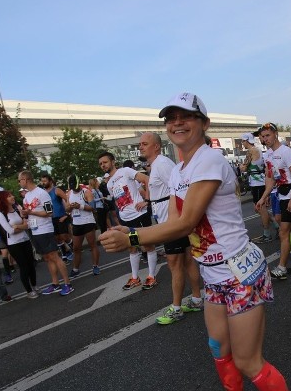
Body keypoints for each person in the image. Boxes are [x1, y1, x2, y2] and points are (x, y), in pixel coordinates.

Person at [100, 92, 291, 391]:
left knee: (249, 361)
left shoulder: (211, 159)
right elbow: (177, 225)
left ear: (204, 124)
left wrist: (132, 237)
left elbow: (183, 224)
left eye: (187, 117)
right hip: (214, 276)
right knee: (219, 349)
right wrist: (143, 231)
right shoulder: (181, 170)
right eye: (171, 118)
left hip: (239, 274)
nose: (177, 124)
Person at [138, 132, 204, 325]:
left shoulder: (163, 164)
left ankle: (176, 308)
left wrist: (180, 219)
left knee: (175, 264)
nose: (140, 147)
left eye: (144, 144)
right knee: (186, 260)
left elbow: (181, 189)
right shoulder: (157, 164)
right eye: (140, 144)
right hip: (169, 219)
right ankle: (197, 299)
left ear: (156, 146)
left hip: (172, 221)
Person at [255, 123, 291, 279]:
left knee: (283, 232)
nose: (265, 139)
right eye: (263, 136)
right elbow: (273, 179)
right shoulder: (270, 155)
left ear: (275, 134)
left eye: (268, 135)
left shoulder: (286, 151)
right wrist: (263, 197)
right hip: (282, 195)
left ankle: (282, 268)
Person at [99, 151, 159, 291]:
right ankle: (135, 277)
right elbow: (118, 201)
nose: (103, 165)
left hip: (139, 216)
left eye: (105, 162)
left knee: (148, 246)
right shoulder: (109, 184)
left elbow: (146, 180)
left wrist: (147, 201)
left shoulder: (125, 171)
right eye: (101, 164)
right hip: (126, 220)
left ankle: (151, 276)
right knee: (132, 248)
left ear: (113, 161)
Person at [18, 171, 73, 296]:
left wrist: (30, 213)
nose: (19, 183)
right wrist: (24, 215)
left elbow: (49, 212)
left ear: (25, 179)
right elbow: (28, 214)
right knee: (47, 258)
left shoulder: (41, 193)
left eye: (19, 180)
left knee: (54, 256)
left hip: (45, 229)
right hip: (34, 230)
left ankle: (67, 283)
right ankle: (55, 283)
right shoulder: (26, 196)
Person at [0, 190, 39, 298]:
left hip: (25, 240)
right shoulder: (1, 214)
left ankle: (34, 285)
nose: (12, 197)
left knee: (31, 265)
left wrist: (18, 227)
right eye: (9, 196)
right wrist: (21, 226)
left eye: (11, 195)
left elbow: (28, 225)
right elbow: (10, 231)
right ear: (3, 199)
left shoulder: (17, 208)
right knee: (24, 266)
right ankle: (29, 291)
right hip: (14, 244)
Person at [240, 132, 274, 243]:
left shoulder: (250, 151)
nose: (242, 143)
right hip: (259, 182)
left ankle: (267, 235)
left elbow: (244, 168)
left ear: (246, 141)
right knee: (260, 208)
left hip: (257, 183)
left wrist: (241, 166)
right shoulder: (258, 149)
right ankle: (277, 227)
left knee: (261, 209)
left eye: (243, 141)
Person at [66, 175, 101, 277]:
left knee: (92, 245)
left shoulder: (86, 192)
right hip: (76, 223)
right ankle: (76, 269)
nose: (74, 189)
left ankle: (95, 266)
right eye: (72, 187)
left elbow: (93, 208)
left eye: (75, 187)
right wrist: (70, 208)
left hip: (88, 221)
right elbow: (67, 209)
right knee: (76, 248)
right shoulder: (69, 193)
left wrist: (80, 206)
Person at [40, 174, 74, 261]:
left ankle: (75, 250)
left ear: (50, 181)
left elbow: (68, 199)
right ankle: (65, 254)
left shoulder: (56, 190)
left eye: (45, 181)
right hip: (50, 219)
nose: (43, 183)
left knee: (65, 237)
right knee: (57, 238)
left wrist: (66, 214)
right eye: (42, 181)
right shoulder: (42, 193)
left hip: (60, 217)